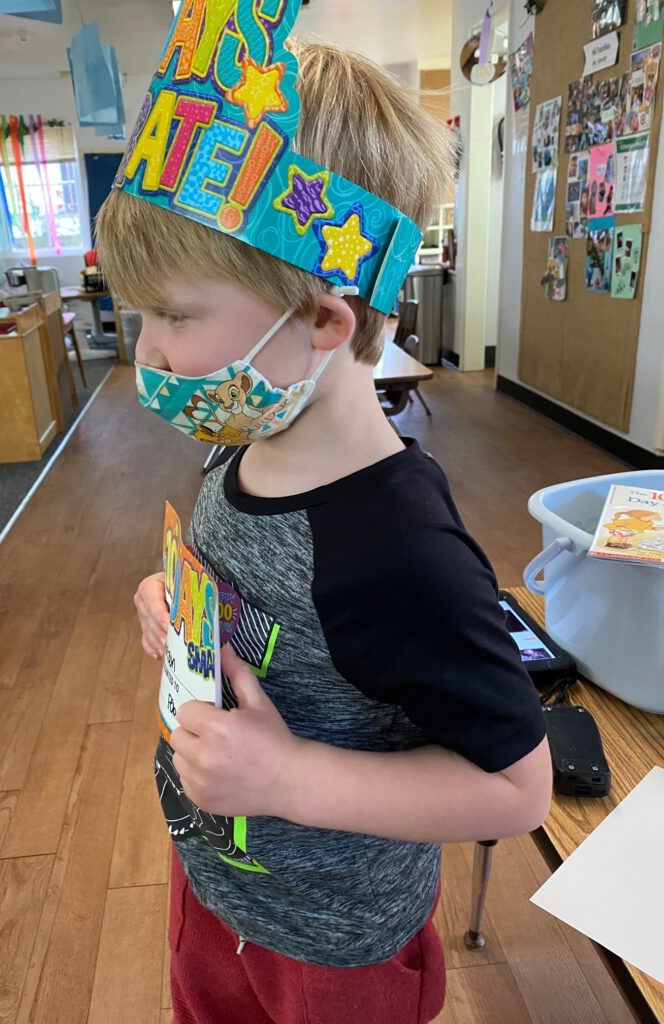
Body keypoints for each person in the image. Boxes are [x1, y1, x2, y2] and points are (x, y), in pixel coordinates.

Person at [97, 5, 552, 1022]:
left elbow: (516, 789)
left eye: (173, 314)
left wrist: (290, 775)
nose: (151, 353)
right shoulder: (246, 435)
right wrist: (180, 612)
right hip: (219, 884)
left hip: (333, 947)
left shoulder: (397, 550)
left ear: (323, 322)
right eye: (142, 314)